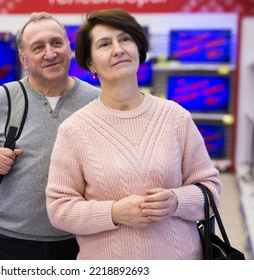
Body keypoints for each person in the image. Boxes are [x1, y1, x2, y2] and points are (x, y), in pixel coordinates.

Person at [45, 8, 223, 260]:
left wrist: (175, 201)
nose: (118, 49)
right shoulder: (74, 130)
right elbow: (59, 208)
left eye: (125, 39)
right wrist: (114, 213)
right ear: (90, 63)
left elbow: (211, 188)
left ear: (138, 49)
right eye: (105, 44)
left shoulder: (174, 116)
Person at [0, 12, 100, 260]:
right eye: (38, 47)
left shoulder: (96, 100)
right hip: (12, 241)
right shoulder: (1, 98)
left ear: (69, 48)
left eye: (56, 43)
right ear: (24, 59)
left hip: (81, 239)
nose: (50, 53)